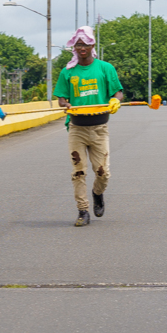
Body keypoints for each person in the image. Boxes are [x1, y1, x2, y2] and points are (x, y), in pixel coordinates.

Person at [53, 26, 122, 227]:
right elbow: (61, 99)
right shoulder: (68, 72)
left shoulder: (105, 68)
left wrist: (115, 100)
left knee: (103, 173)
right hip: (77, 129)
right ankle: (82, 210)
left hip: (99, 129)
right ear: (74, 47)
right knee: (78, 171)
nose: (81, 48)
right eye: (78, 44)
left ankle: (97, 193)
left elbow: (118, 93)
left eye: (85, 44)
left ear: (92, 45)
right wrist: (66, 104)